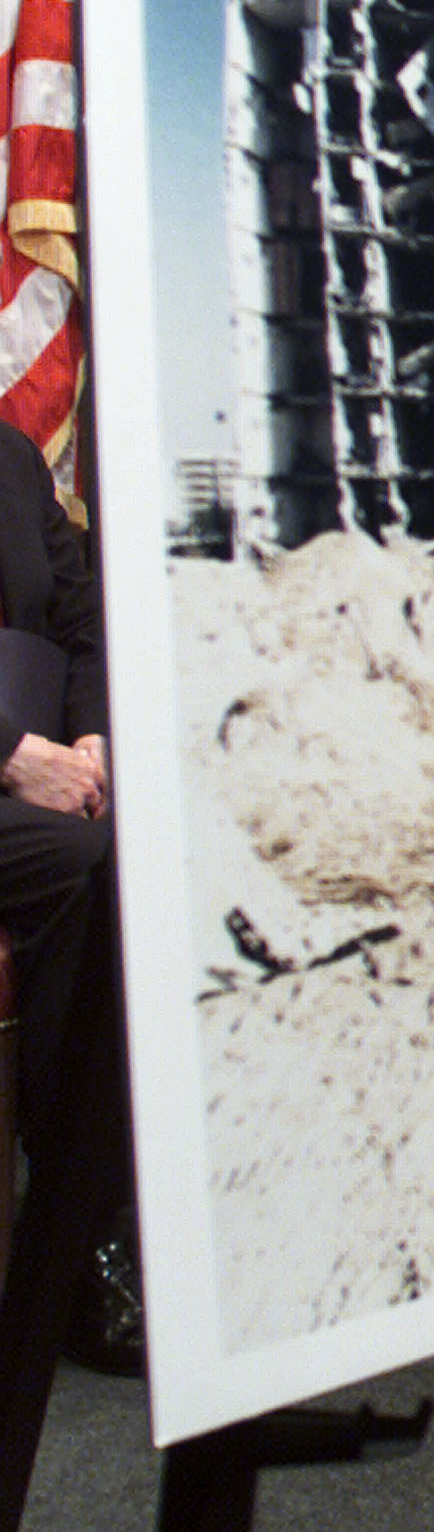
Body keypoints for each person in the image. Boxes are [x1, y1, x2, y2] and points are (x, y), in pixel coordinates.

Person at [0, 420, 138, 1376]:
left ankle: (136, 1220)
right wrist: (11, 757)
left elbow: (84, 620)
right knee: (86, 872)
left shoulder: (11, 458)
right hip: (12, 776)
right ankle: (79, 1247)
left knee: (143, 862)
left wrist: (91, 740)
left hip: (48, 776)